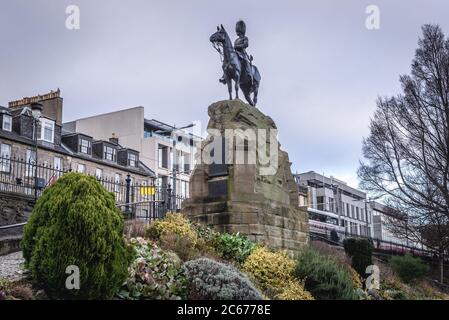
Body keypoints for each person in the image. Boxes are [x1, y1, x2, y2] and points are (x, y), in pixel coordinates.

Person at [219, 20, 253, 84]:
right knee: (227, 62)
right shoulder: (236, 40)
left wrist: (238, 46)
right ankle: (224, 76)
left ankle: (249, 73)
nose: (237, 32)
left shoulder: (245, 38)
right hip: (236, 53)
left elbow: (246, 45)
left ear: (241, 31)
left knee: (246, 61)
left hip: (242, 53)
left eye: (238, 31)